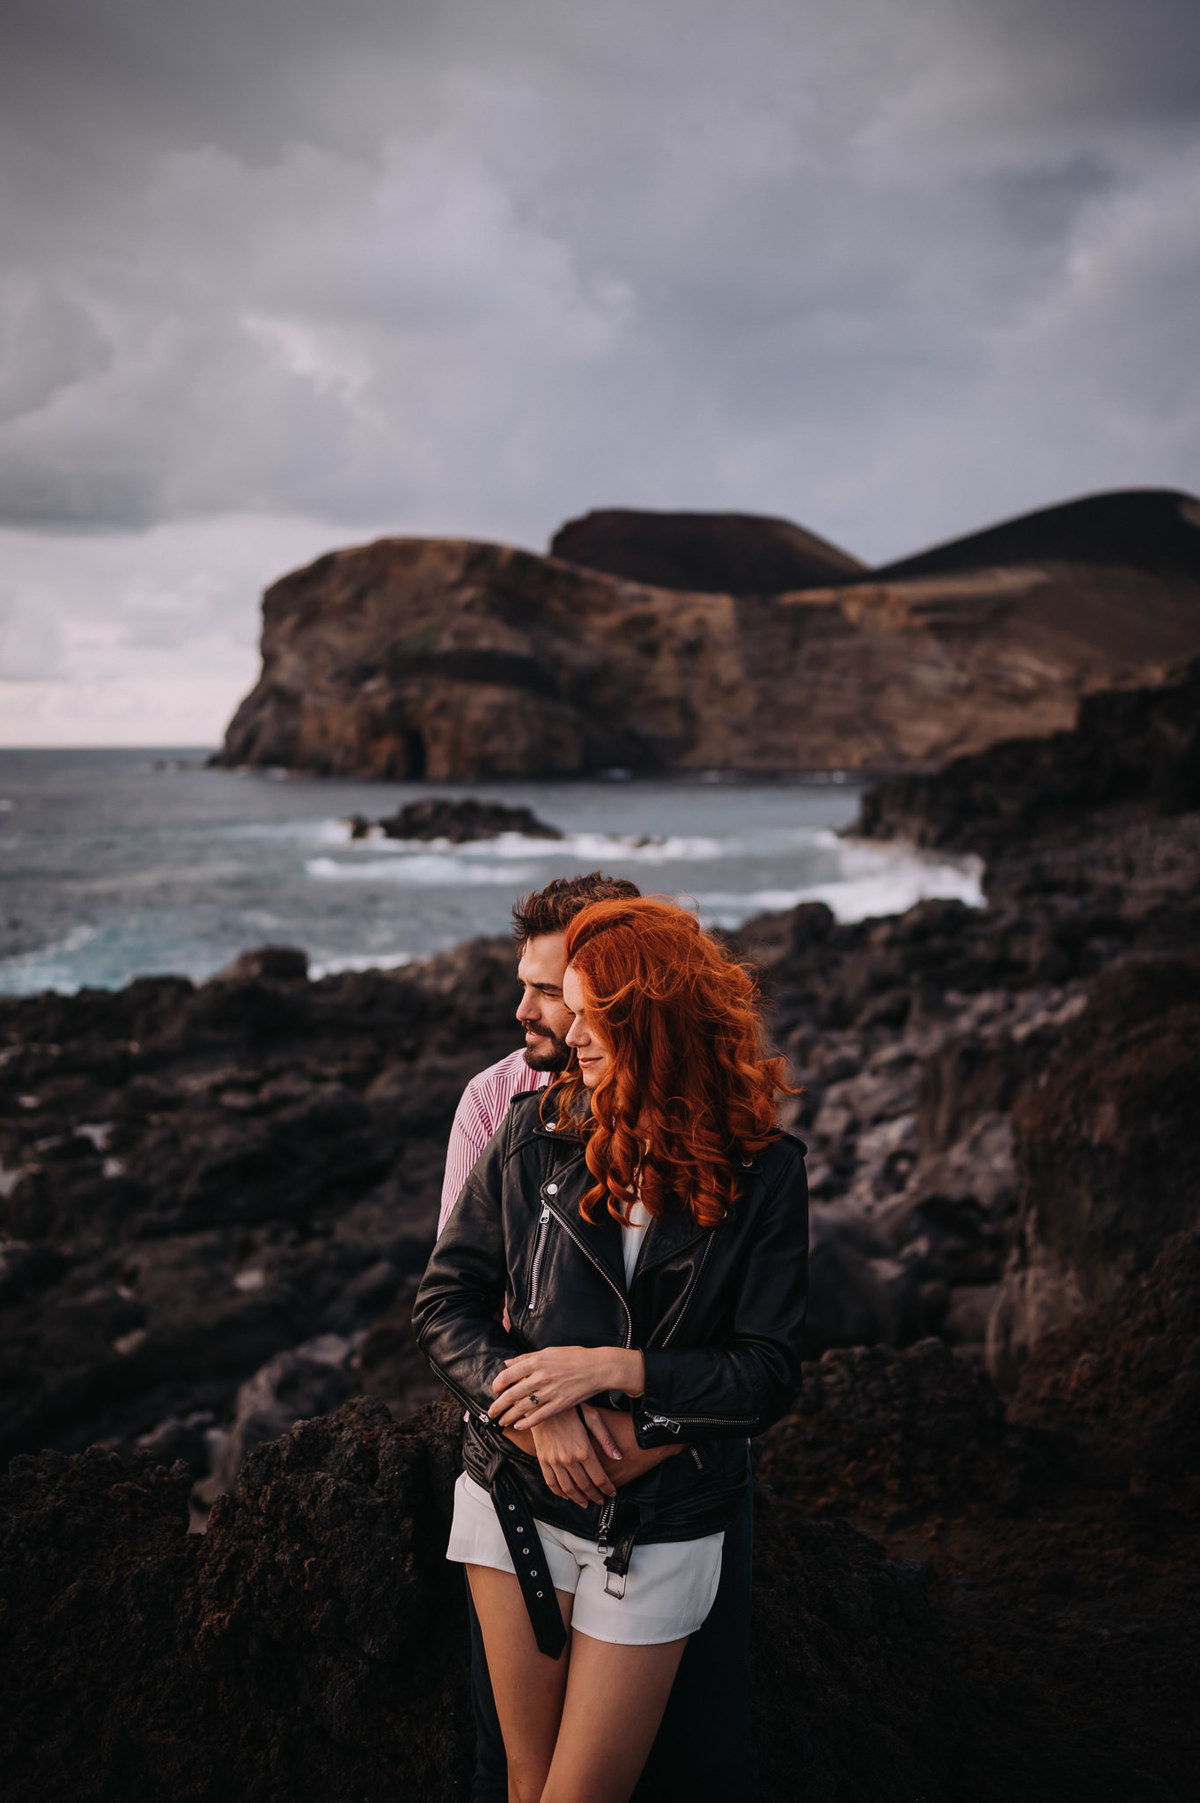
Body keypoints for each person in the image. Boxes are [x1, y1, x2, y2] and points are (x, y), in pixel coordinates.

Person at [415, 894, 808, 1803]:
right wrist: (537, 1411)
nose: (569, 1034)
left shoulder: (765, 1172)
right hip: (513, 1493)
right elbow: (446, 1303)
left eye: (595, 1015)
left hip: (665, 1518)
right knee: (521, 1779)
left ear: (654, 1020)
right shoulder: (526, 1128)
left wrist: (619, 1375)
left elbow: (768, 1367)